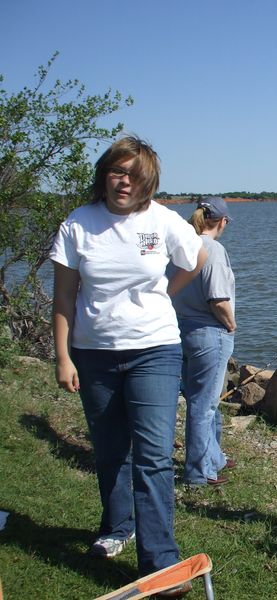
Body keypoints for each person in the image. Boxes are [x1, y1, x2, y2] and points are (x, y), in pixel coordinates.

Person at [51, 135, 207, 598]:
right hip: (93, 354)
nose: (125, 181)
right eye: (118, 172)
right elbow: (64, 297)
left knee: (155, 455)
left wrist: (164, 292)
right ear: (105, 175)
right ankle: (116, 528)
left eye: (135, 175)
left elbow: (196, 258)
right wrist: (62, 356)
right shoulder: (78, 224)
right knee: (109, 449)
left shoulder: (161, 220)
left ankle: (159, 560)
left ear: (149, 182)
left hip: (155, 349)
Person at [171, 197, 236, 486]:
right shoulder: (213, 249)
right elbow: (218, 298)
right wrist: (231, 325)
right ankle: (198, 472)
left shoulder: (179, 247)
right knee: (204, 405)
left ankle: (215, 457)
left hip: (180, 329)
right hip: (209, 333)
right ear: (222, 222)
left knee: (205, 401)